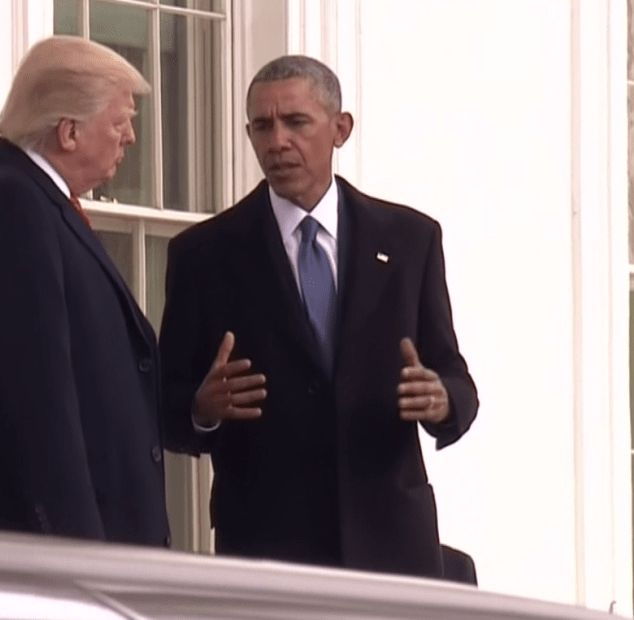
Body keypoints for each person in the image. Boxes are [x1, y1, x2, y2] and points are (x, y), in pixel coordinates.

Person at [159, 55, 478, 578]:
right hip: (267, 553)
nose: (277, 141)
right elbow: (166, 408)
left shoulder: (409, 240)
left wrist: (442, 399)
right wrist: (202, 407)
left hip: (392, 549)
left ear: (340, 129)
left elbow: (454, 376)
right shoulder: (204, 255)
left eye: (296, 122)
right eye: (262, 126)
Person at [0, 36, 170, 547]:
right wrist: (80, 559)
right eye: (119, 123)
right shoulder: (9, 206)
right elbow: (37, 405)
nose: (131, 138)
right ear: (68, 131)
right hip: (21, 565)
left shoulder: (32, 202)